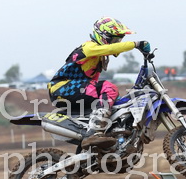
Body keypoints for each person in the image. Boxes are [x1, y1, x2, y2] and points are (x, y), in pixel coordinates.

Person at [48, 17, 150, 149]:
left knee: (115, 101)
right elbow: (110, 49)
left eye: (119, 40)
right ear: (103, 36)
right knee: (109, 88)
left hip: (74, 89)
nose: (117, 43)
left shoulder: (99, 56)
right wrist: (136, 44)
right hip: (61, 88)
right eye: (114, 39)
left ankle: (101, 141)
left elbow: (93, 83)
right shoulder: (89, 47)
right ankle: (94, 132)